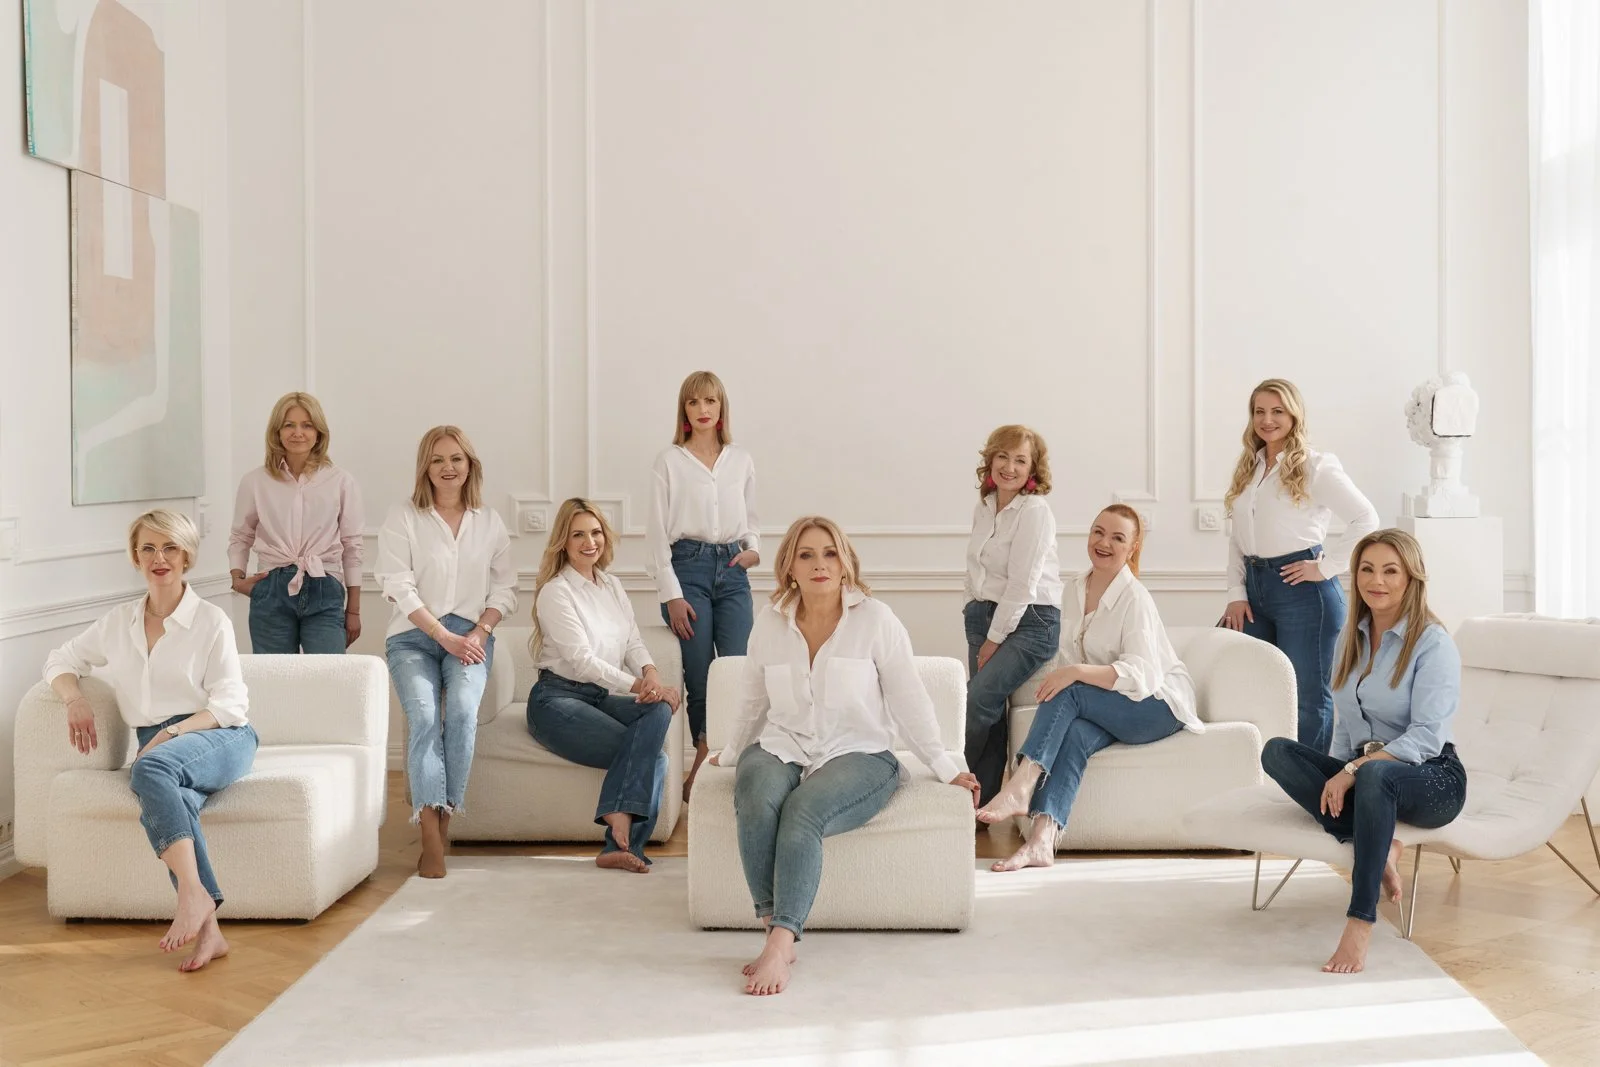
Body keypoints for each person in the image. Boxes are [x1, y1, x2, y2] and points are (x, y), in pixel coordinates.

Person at [711, 516, 980, 996]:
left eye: (829, 553)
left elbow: (908, 697)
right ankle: (775, 926)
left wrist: (944, 764)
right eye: (807, 554)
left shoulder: (875, 619)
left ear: (845, 561)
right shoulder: (770, 623)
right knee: (755, 793)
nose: (819, 564)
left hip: (860, 752)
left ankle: (780, 941)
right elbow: (754, 699)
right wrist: (730, 752)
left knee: (803, 811)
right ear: (789, 566)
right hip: (784, 742)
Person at [44, 510, 258, 972]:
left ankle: (191, 898)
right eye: (148, 548)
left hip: (218, 734)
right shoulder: (118, 623)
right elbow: (60, 659)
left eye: (170, 548)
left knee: (151, 769)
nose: (159, 558)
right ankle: (208, 926)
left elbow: (231, 705)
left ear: (187, 556)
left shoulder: (211, 620)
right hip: (158, 746)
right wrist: (73, 698)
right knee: (168, 793)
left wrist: (170, 732)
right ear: (135, 556)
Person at [1260, 529, 1467, 973]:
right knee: (1277, 752)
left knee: (1375, 776)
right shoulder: (1349, 639)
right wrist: (1339, 769)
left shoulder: (1433, 643)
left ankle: (1360, 920)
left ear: (1411, 579)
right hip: (1369, 777)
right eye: (1367, 569)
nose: (1378, 581)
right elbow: (1343, 730)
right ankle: (1380, 844)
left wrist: (1352, 769)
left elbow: (1426, 739)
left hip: (1430, 777)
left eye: (1391, 571)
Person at [978, 505, 1201, 869]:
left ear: (1133, 548)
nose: (1104, 542)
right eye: (1098, 532)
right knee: (1077, 732)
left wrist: (1076, 673)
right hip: (1115, 702)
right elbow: (1074, 654)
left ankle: (1021, 784)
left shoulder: (1135, 598)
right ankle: (1042, 840)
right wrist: (1073, 673)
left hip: (1157, 707)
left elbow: (1142, 675)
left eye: (1117, 538)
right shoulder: (1074, 589)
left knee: (1072, 687)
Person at [376, 425, 516, 878]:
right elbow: (397, 585)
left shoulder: (489, 521)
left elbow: (506, 589)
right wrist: (443, 635)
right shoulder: (404, 517)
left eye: (456, 459)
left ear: (469, 465)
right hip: (414, 635)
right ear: (425, 468)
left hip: (471, 636)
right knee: (422, 717)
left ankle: (445, 814)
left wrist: (479, 632)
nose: (448, 468)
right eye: (438, 460)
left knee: (459, 711)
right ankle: (431, 836)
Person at [1219, 378, 1378, 753]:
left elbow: (1365, 518)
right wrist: (1236, 593)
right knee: (1236, 673)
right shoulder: (1251, 467)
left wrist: (1324, 568)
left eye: (1277, 411)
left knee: (1308, 696)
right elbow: (1238, 538)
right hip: (1254, 590)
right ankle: (1263, 770)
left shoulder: (1315, 465)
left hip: (1304, 595)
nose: (1267, 419)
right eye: (1259, 411)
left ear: (1294, 415)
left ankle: (1310, 783)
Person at [527, 499, 680, 872]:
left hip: (598, 698)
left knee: (659, 709)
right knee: (652, 756)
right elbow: (581, 661)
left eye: (595, 533)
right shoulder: (556, 592)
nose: (589, 541)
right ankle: (622, 844)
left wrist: (652, 677)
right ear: (563, 541)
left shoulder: (611, 584)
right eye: (578, 534)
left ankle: (619, 847)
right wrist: (637, 684)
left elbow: (632, 642)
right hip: (556, 700)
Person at [647, 370, 758, 801]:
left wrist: (752, 550)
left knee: (736, 671)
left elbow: (752, 517)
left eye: (710, 401)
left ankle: (713, 765)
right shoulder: (669, 461)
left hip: (732, 569)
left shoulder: (741, 459)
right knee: (699, 674)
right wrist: (671, 594)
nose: (703, 409)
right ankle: (704, 761)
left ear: (721, 407)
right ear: (685, 411)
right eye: (694, 403)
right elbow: (656, 533)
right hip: (686, 569)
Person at [962, 424, 1063, 805]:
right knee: (991, 712)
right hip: (982, 613)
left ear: (1033, 469)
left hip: (1032, 621)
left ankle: (949, 786)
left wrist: (993, 639)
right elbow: (976, 568)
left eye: (1020, 460)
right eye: (1002, 456)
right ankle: (981, 803)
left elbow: (1023, 584)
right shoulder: (985, 508)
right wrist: (974, 608)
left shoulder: (1035, 511)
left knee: (976, 701)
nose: (1009, 466)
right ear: (990, 460)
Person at [229, 391, 365, 653]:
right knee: (274, 680)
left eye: (307, 425)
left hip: (324, 587)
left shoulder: (341, 481)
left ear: (319, 432)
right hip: (270, 588)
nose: (297, 433)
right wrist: (237, 578)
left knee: (328, 679)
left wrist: (354, 610)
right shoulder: (255, 481)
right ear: (277, 432)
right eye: (288, 425)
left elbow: (353, 547)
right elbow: (240, 535)